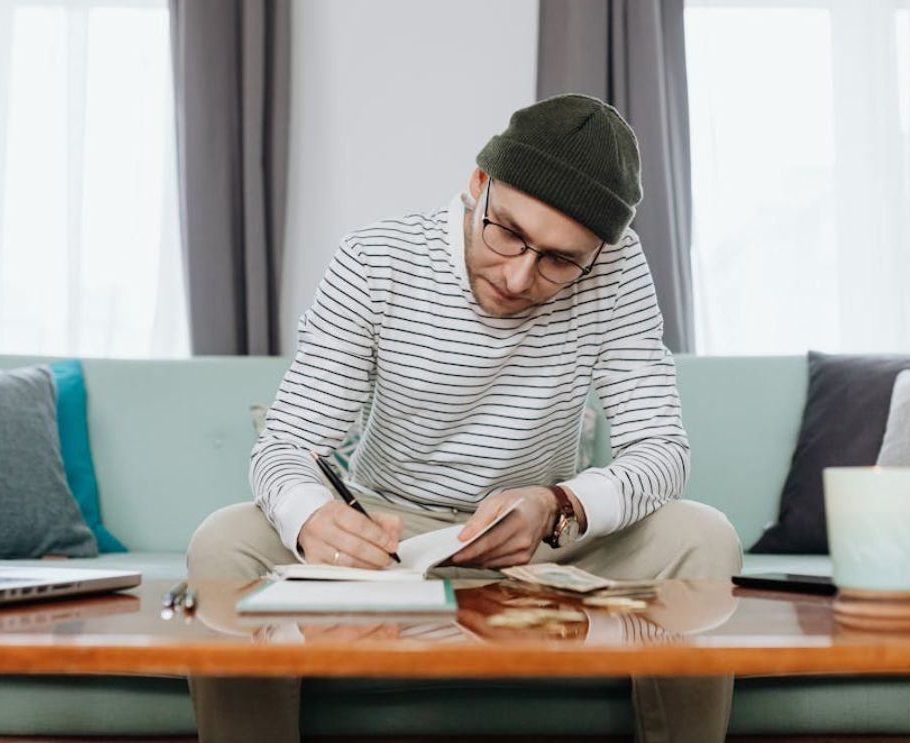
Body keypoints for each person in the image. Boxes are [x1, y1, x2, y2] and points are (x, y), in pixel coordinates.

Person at [187, 93, 743, 743]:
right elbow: (287, 443)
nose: (519, 277)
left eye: (559, 260)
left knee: (704, 537)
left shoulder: (615, 273)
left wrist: (557, 506)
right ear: (478, 184)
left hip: (540, 535)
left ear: (594, 253)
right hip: (390, 532)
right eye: (507, 233)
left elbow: (661, 450)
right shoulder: (375, 259)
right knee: (222, 542)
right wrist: (313, 519)